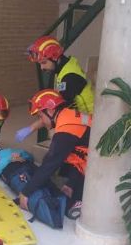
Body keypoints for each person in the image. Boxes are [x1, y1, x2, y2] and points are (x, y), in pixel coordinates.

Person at [18, 89, 91, 219]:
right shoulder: (67, 115)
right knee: (56, 163)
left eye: (40, 116)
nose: (42, 121)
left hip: (100, 172)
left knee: (69, 205)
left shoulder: (66, 130)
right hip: (89, 160)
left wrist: (25, 192)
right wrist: (70, 184)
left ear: (51, 111)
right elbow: (81, 154)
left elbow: (50, 165)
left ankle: (81, 202)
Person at [15, 36, 94, 143]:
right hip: (82, 116)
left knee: (55, 136)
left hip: (88, 123)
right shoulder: (64, 67)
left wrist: (32, 128)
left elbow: (55, 112)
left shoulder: (69, 78)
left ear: (55, 57)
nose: (42, 68)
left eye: (43, 63)